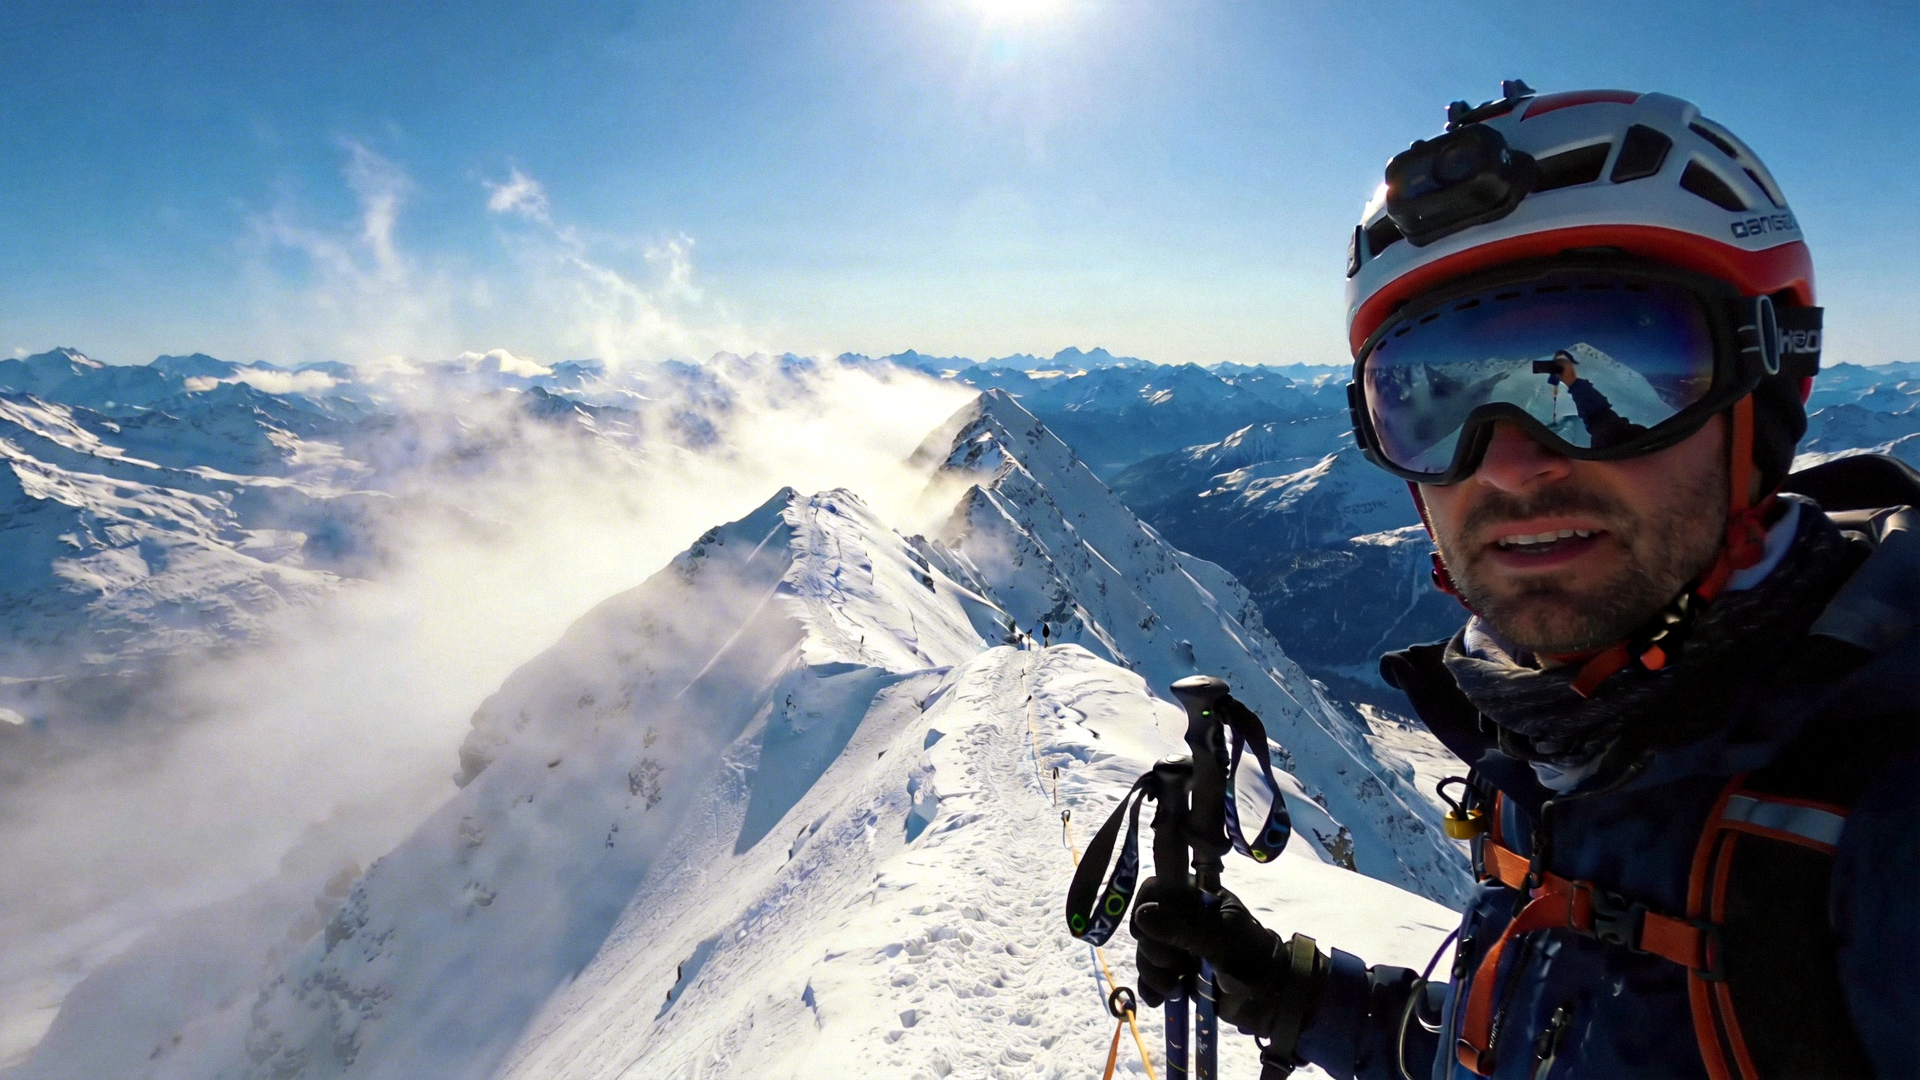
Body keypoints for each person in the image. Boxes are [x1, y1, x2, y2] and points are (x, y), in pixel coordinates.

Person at [1130, 83, 1918, 1080]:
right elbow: (1503, 1042)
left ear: (1762, 387)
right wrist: (1289, 992)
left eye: (1624, 368)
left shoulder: (1880, 820)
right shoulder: (1547, 753)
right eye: (1433, 397)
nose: (1506, 465)